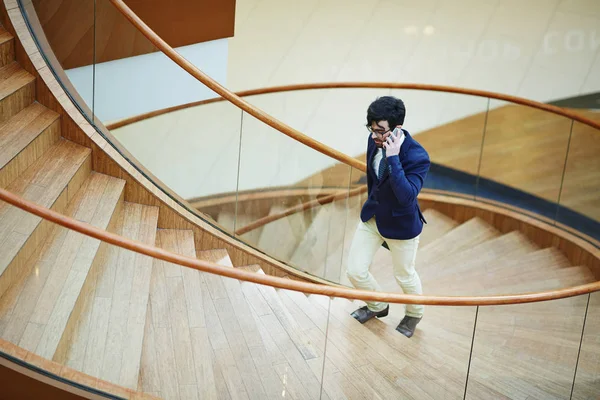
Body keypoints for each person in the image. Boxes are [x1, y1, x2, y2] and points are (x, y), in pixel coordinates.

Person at [347, 96, 430, 338]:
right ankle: (378, 305)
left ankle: (415, 312)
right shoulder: (373, 141)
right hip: (373, 217)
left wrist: (393, 157)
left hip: (401, 225)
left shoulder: (417, 156)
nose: (375, 136)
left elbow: (406, 196)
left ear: (397, 129)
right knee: (355, 271)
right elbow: (374, 180)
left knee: (404, 274)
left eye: (380, 131)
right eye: (371, 129)